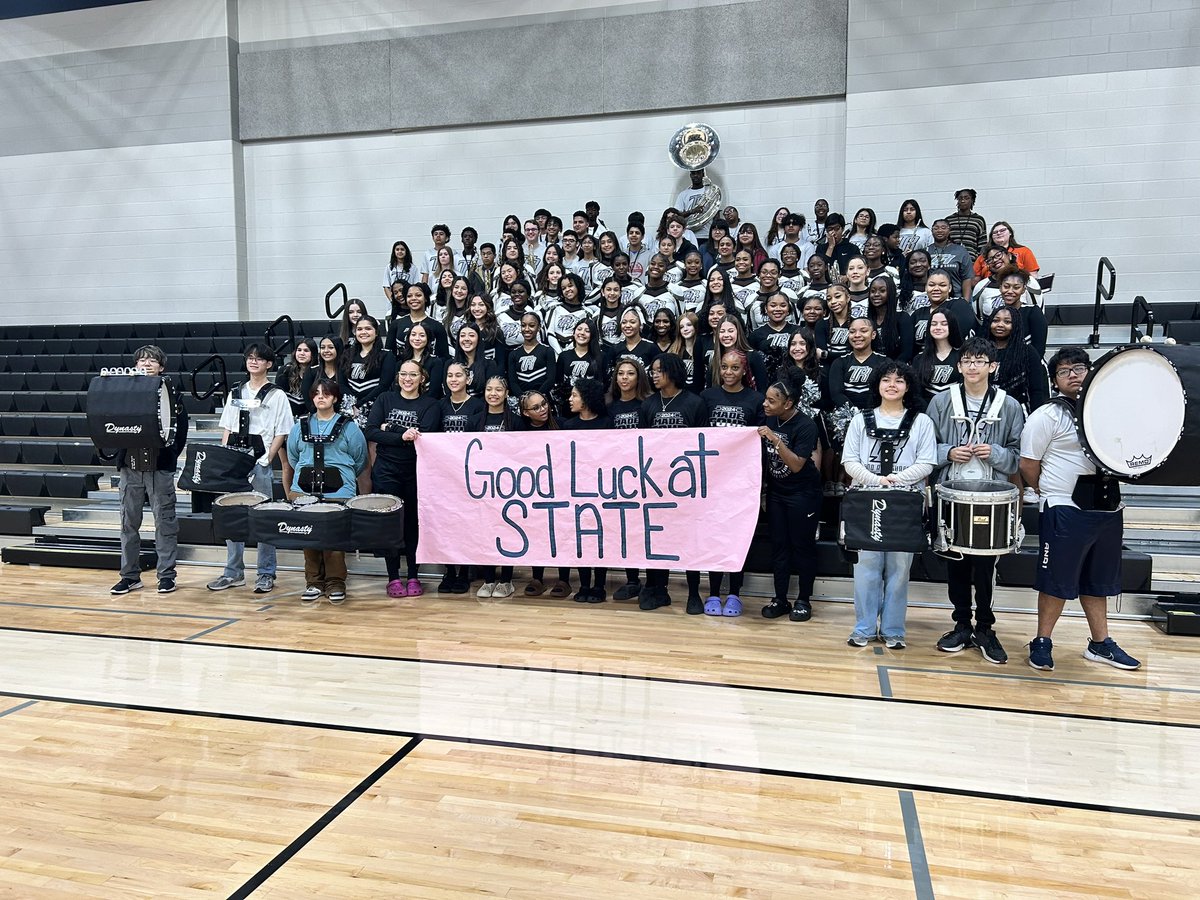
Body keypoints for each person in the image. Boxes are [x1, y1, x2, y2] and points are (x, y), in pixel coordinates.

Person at [1019, 347, 1141, 672]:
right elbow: (1028, 464)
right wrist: (1047, 490)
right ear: (1055, 381)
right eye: (1064, 371)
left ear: (1090, 371)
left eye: (1078, 368)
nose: (1072, 375)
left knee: (1098, 581)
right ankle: (1042, 641)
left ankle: (1100, 643)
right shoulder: (1047, 416)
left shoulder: (1109, 411)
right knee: (1055, 580)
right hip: (1065, 507)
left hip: (1107, 507)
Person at [926, 337, 1026, 663]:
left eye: (980, 361)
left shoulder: (1009, 406)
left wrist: (994, 453)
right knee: (955, 560)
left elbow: (1018, 457)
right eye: (967, 360)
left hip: (991, 499)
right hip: (951, 494)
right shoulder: (941, 401)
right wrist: (948, 452)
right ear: (959, 366)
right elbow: (924, 449)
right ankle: (961, 625)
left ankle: (985, 627)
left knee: (985, 565)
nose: (972, 366)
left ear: (992, 366)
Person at [842, 362, 938, 648]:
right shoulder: (860, 420)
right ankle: (863, 628)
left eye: (899, 381)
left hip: (904, 502)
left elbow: (927, 462)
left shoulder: (921, 422)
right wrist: (876, 480)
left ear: (908, 387)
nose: (892, 385)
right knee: (866, 567)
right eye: (886, 380)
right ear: (877, 385)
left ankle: (894, 630)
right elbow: (849, 461)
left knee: (899, 568)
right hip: (866, 499)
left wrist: (895, 480)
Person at [207, 344, 295, 594]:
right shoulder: (236, 391)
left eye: (259, 359)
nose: (253, 362)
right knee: (232, 517)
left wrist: (267, 458)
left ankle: (266, 572)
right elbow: (227, 426)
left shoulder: (277, 395)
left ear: (269, 364)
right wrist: (225, 457)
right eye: (250, 358)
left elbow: (282, 430)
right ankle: (233, 572)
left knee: (263, 518)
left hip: (259, 463)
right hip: (234, 462)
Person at [110, 345, 189, 596]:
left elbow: (180, 431)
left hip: (159, 467)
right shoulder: (123, 391)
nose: (146, 364)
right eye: (142, 360)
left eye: (152, 361)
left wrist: (169, 456)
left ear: (161, 367)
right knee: (128, 523)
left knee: (164, 523)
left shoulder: (171, 393)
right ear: (135, 365)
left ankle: (166, 576)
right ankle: (129, 576)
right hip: (130, 466)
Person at [286, 379, 367, 605]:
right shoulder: (299, 426)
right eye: (317, 393)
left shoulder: (349, 427)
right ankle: (313, 582)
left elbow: (360, 458)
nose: (321, 397)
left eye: (326, 393)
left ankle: (335, 582)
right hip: (304, 489)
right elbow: (293, 457)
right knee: (309, 536)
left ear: (335, 398)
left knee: (334, 539)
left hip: (339, 491)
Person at [638, 353, 709, 612]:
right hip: (656, 482)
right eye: (653, 370)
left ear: (673, 371)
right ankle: (658, 590)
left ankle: (693, 593)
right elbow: (641, 444)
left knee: (689, 538)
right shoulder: (648, 404)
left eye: (659, 370)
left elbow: (705, 442)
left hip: (687, 483)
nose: (654, 375)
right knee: (656, 537)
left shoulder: (695, 402)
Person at [366, 359, 441, 599]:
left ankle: (414, 575)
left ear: (422, 378)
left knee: (412, 524)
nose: (407, 379)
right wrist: (401, 436)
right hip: (386, 471)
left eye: (413, 374)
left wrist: (391, 427)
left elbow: (423, 436)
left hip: (416, 471)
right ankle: (393, 577)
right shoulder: (385, 399)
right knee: (391, 525)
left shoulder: (431, 404)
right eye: (403, 374)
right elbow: (371, 430)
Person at [698, 350, 764, 617]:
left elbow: (759, 442)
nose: (728, 372)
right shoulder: (707, 397)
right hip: (712, 479)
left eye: (735, 368)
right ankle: (713, 592)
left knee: (738, 537)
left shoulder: (755, 399)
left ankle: (735, 593)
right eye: (724, 367)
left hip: (741, 482)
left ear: (744, 371)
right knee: (714, 537)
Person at [757, 367, 823, 622]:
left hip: (803, 494)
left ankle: (804, 600)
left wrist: (775, 440)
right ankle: (780, 598)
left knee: (802, 547)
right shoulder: (769, 419)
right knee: (779, 546)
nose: (765, 404)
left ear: (788, 404)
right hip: (777, 493)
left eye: (771, 401)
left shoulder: (806, 426)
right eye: (765, 399)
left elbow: (796, 465)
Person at [562, 377, 612, 602]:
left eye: (574, 395)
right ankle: (583, 585)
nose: (570, 399)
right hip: (577, 489)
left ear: (587, 398)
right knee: (581, 537)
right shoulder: (568, 425)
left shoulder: (607, 423)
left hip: (602, 488)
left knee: (600, 537)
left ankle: (599, 586)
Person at [988, 306, 1049, 412]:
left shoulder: (1027, 352)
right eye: (995, 321)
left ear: (1015, 325)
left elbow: (1036, 391)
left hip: (1018, 410)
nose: (1000, 325)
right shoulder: (981, 350)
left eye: (1007, 322)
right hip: (986, 409)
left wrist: (1035, 415)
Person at [927, 219, 975, 299]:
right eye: (936, 228)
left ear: (949, 231)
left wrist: (965, 301)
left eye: (943, 228)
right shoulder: (927, 250)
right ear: (932, 231)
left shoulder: (960, 251)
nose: (939, 230)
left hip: (956, 297)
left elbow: (966, 278)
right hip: (932, 298)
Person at [974, 221, 1040, 279]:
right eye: (995, 232)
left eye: (1002, 230)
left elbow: (1033, 276)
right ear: (991, 237)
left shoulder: (1024, 251)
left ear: (1010, 232)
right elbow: (975, 280)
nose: (998, 233)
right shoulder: (983, 256)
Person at [276, 338, 317, 416]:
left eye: (306, 351)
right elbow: (279, 398)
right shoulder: (284, 371)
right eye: (299, 350)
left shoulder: (318, 372)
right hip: (287, 416)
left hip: (311, 416)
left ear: (313, 354)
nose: (302, 353)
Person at [946, 188, 986, 260]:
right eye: (960, 198)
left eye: (966, 198)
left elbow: (982, 244)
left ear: (972, 200)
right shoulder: (949, 220)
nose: (963, 201)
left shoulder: (978, 220)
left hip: (972, 260)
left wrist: (979, 260)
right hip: (952, 260)